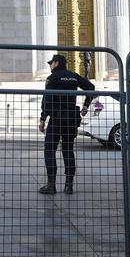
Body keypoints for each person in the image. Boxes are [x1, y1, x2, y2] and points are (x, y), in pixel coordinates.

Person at [38, 54, 94, 195]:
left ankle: (51, 185)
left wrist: (43, 118)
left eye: (51, 63)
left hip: (57, 118)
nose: (50, 66)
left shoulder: (52, 78)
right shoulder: (73, 76)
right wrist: (86, 105)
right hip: (71, 118)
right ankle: (69, 186)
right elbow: (91, 87)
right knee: (68, 149)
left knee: (50, 149)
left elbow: (48, 99)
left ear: (56, 63)